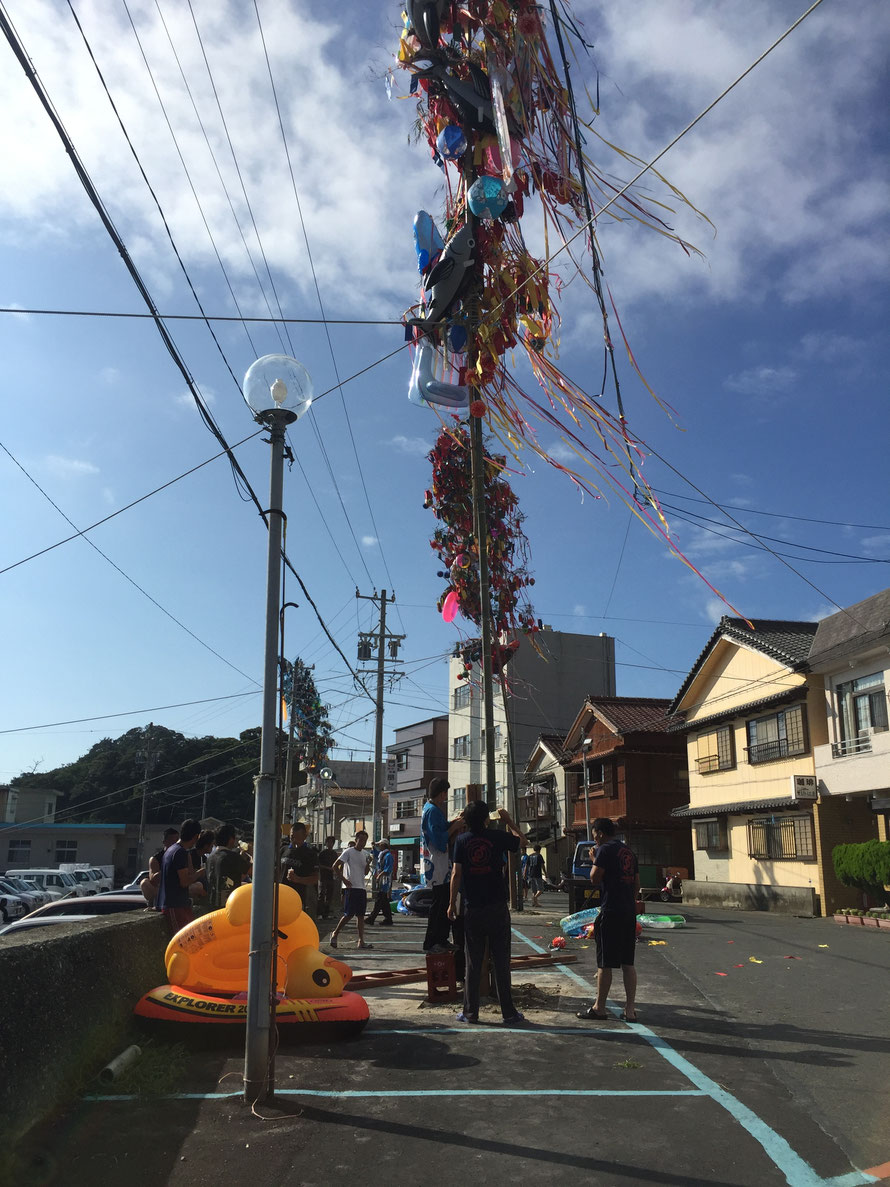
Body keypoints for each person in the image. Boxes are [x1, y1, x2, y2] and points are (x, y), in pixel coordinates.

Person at [448, 800, 529, 1026]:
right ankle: (509, 1013)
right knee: (502, 960)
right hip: (497, 907)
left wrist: (451, 903)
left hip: (472, 907)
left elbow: (456, 874)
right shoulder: (496, 837)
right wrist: (508, 820)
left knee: (473, 962)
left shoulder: (462, 841)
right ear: (486, 819)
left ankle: (470, 1013)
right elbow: (522, 841)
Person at [576, 817, 641, 1023]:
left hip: (611, 910)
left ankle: (599, 1008)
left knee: (605, 963)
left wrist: (595, 859)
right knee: (627, 962)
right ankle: (630, 1010)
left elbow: (594, 879)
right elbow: (636, 885)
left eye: (594, 833)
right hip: (629, 912)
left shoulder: (603, 850)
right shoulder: (628, 851)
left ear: (601, 833)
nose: (593, 838)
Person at [421, 777, 462, 953]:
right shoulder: (433, 811)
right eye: (445, 793)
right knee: (439, 904)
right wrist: (455, 827)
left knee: (441, 902)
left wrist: (454, 823)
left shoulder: (430, 809)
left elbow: (443, 828)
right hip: (437, 864)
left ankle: (440, 939)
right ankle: (434, 941)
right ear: (441, 793)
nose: (446, 797)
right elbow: (439, 839)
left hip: (437, 864)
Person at [328, 830, 373, 949]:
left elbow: (366, 872)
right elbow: (335, 866)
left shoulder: (364, 854)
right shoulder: (348, 851)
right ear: (356, 840)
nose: (363, 843)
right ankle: (335, 933)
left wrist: (368, 863)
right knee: (348, 914)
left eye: (365, 841)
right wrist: (344, 879)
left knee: (361, 916)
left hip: (361, 887)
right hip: (351, 888)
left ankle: (361, 941)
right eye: (361, 840)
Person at [156, 818, 201, 936]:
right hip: (175, 905)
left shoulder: (171, 850)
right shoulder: (180, 852)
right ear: (196, 836)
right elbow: (184, 882)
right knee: (183, 941)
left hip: (176, 904)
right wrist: (201, 873)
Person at [205, 823, 251, 910]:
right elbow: (253, 871)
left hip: (212, 904)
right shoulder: (232, 856)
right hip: (229, 905)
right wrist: (252, 854)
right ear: (230, 839)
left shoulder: (210, 858)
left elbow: (235, 877)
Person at [280, 821, 319, 920]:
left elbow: (315, 878)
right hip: (280, 895)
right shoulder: (283, 850)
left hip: (299, 897)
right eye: (292, 837)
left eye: (297, 838)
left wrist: (298, 879)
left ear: (304, 837)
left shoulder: (310, 854)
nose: (294, 841)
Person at [142, 827, 178, 907]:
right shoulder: (155, 859)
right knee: (144, 882)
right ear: (164, 842)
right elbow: (153, 880)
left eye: (177, 842)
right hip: (161, 889)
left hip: (177, 888)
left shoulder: (181, 856)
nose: (175, 845)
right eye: (172, 842)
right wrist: (168, 867)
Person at [366, 838, 394, 926]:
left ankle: (372, 918)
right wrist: (373, 846)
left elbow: (388, 869)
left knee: (379, 899)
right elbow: (375, 854)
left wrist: (379, 875)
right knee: (384, 900)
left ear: (383, 845)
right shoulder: (382, 854)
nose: (379, 846)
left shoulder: (388, 855)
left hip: (385, 879)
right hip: (381, 879)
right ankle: (388, 918)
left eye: (380, 845)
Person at [317, 836, 338, 919]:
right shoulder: (322, 853)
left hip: (331, 876)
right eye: (328, 842)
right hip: (323, 876)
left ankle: (326, 912)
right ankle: (319, 912)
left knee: (329, 894)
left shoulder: (334, 854)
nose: (330, 844)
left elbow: (337, 864)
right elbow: (319, 864)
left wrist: (335, 871)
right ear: (326, 843)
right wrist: (328, 868)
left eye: (332, 842)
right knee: (321, 894)